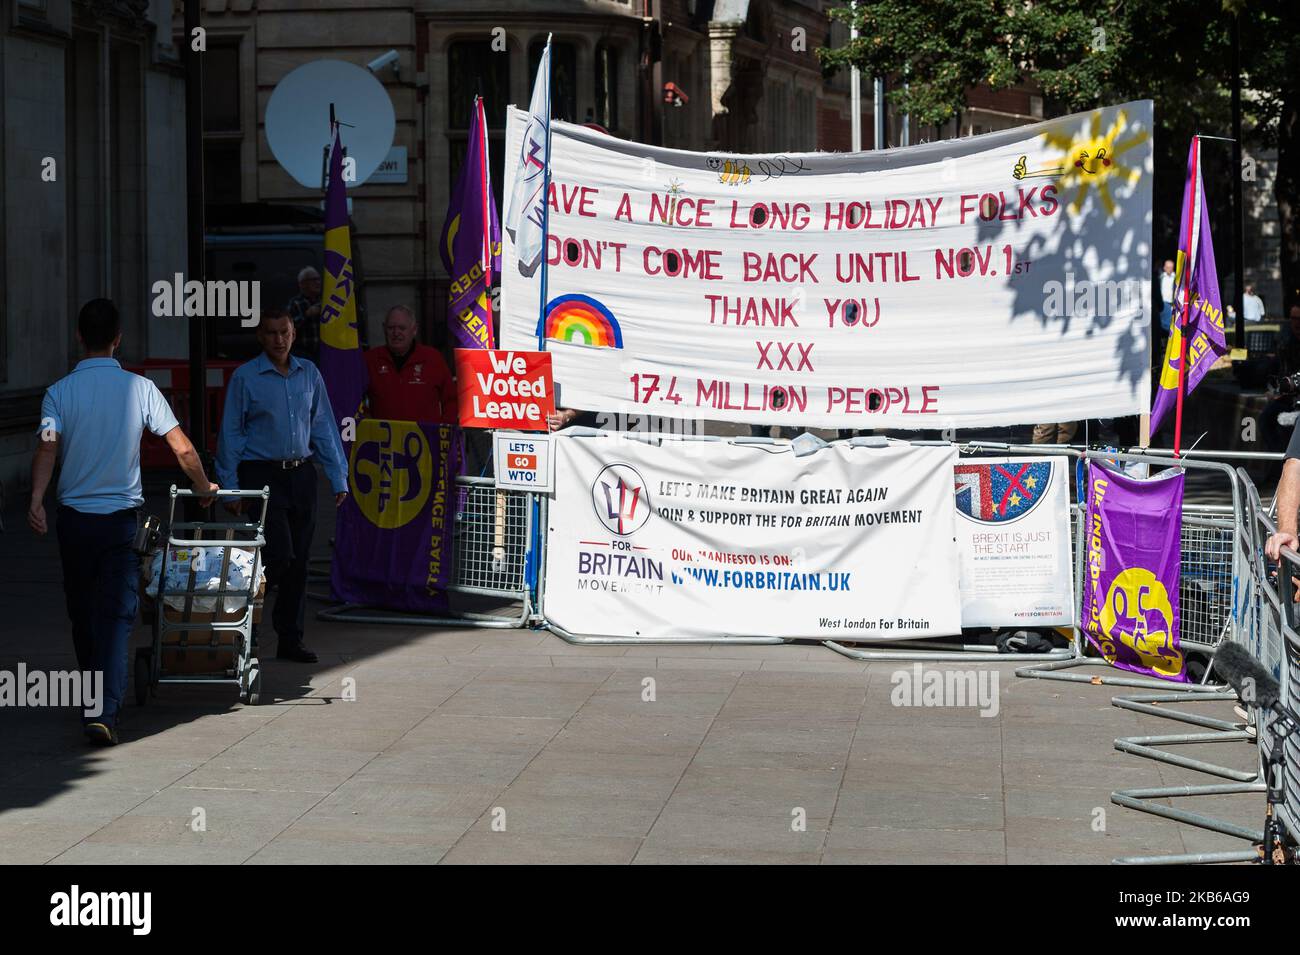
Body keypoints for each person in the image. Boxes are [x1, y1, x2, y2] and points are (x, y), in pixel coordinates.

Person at [28, 298, 218, 745]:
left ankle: (95, 698)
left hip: (74, 521)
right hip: (118, 524)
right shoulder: (141, 389)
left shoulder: (58, 393)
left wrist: (36, 498)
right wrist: (204, 488)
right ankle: (103, 710)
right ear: (119, 339)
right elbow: (183, 448)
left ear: (78, 337)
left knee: (82, 613)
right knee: (115, 615)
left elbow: (47, 448)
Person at [215, 310, 348, 664]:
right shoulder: (246, 377)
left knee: (300, 562)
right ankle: (242, 620)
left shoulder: (309, 374)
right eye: (271, 333)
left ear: (293, 333)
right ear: (261, 336)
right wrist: (229, 486)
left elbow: (322, 426)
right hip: (262, 475)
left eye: (284, 332)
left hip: (301, 474)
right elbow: (231, 431)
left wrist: (338, 476)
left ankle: (290, 639)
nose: (279, 339)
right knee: (278, 555)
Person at [363, 305, 457, 423]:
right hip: (383, 438)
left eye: (402, 328)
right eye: (391, 328)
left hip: (426, 438)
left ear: (414, 330)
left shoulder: (432, 358)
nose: (396, 333)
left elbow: (451, 400)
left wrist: (444, 429)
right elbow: (353, 398)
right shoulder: (370, 359)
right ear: (384, 329)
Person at [286, 266, 323, 364]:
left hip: (323, 352)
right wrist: (307, 315)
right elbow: (287, 328)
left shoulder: (325, 302)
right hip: (302, 353)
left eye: (319, 279)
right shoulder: (295, 303)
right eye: (313, 280)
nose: (318, 282)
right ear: (302, 284)